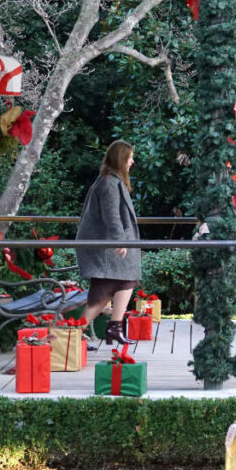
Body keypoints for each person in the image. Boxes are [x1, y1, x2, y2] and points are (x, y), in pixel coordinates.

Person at [76, 140, 140, 347]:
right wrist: (119, 240)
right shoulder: (109, 183)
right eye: (129, 157)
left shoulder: (113, 180)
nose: (132, 161)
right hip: (105, 249)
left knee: (126, 281)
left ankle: (115, 327)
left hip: (110, 248)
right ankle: (72, 333)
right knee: (102, 295)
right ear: (121, 159)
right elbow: (111, 215)